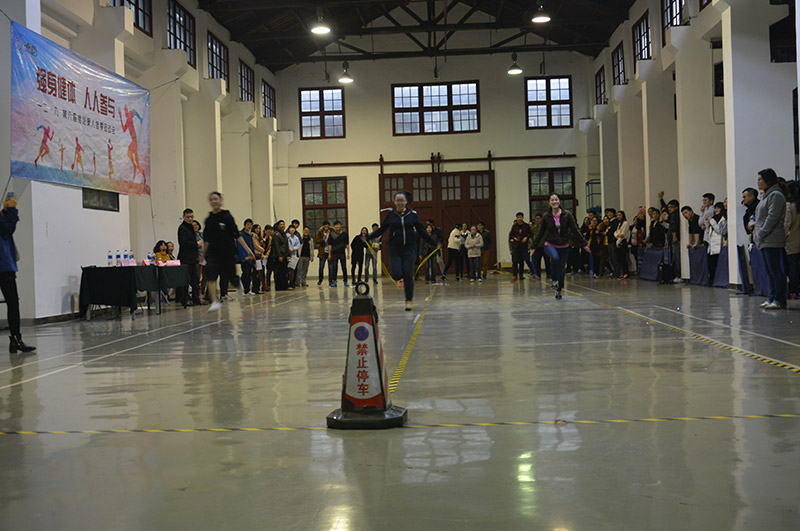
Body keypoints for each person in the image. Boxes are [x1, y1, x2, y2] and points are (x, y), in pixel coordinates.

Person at [366, 191, 439, 311]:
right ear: (394, 202)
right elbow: (382, 229)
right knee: (396, 274)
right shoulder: (390, 215)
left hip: (409, 249)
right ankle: (399, 278)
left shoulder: (412, 215)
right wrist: (368, 237)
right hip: (394, 249)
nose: (400, 203)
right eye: (397, 200)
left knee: (408, 274)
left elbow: (421, 230)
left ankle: (409, 300)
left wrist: (434, 243)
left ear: (406, 202)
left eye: (402, 200)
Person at [530, 194, 590, 299]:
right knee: (555, 258)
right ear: (549, 202)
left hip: (564, 245)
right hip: (550, 244)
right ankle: (554, 280)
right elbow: (540, 233)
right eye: (552, 200)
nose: (554, 202)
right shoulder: (546, 216)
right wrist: (533, 247)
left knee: (562, 269)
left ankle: (559, 290)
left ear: (559, 201)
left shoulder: (567, 215)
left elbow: (575, 230)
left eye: (556, 200)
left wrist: (584, 243)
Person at [203, 192, 254, 312]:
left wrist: (248, 250)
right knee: (211, 275)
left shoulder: (227, 217)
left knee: (231, 277)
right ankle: (214, 301)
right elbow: (207, 239)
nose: (214, 201)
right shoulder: (209, 220)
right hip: (213, 253)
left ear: (221, 201)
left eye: (216, 199)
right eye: (211, 199)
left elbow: (237, 235)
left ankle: (238, 283)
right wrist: (203, 254)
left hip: (227, 253)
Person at [0, 193, 35, 354]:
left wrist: (6, 211)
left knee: (13, 302)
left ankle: (16, 340)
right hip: (3, 265)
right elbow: (8, 229)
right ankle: (16, 340)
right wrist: (12, 210)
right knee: (12, 302)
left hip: (5, 265)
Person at [749, 168, 787, 309]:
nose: (758, 182)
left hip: (772, 239)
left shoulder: (776, 195)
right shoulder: (766, 195)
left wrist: (761, 233)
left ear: (768, 180)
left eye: (760, 179)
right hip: (764, 239)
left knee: (775, 270)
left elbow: (772, 217)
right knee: (770, 271)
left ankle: (779, 299)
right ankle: (772, 297)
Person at [177, 208, 201, 307]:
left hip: (193, 258)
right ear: (184, 217)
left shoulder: (191, 227)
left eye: (192, 217)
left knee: (195, 280)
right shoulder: (182, 228)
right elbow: (184, 243)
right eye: (188, 217)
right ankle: (185, 300)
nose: (190, 219)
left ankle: (196, 299)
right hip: (185, 258)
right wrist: (196, 244)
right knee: (186, 281)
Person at [659, 192, 682, 282]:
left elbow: (674, 227)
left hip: (675, 240)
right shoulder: (671, 215)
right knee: (674, 258)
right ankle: (676, 275)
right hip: (671, 239)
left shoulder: (675, 215)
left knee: (676, 258)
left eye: (671, 207)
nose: (669, 209)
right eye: (668, 207)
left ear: (676, 207)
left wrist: (674, 237)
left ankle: (678, 275)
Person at [784, 180, 800, 300]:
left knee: (793, 267)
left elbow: (786, 225)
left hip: (792, 240)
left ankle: (793, 291)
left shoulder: (789, 206)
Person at [237, 219, 261, 295]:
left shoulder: (250, 235)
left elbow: (251, 247)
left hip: (250, 258)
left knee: (249, 274)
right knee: (245, 274)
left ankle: (247, 290)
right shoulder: (241, 234)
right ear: (245, 225)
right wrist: (243, 257)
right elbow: (240, 247)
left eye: (251, 225)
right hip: (244, 258)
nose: (249, 226)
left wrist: (253, 255)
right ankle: (242, 289)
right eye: (248, 224)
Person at [706, 202, 727, 285]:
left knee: (717, 265)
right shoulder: (713, 219)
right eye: (715, 208)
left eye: (718, 208)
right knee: (711, 266)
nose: (716, 210)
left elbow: (720, 231)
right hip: (711, 247)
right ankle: (712, 281)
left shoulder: (723, 219)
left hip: (719, 246)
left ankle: (717, 281)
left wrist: (712, 221)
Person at [508, 212, 532, 281]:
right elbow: (511, 235)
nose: (519, 219)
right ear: (516, 218)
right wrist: (514, 238)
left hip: (524, 246)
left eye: (520, 217)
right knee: (515, 261)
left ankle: (521, 274)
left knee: (524, 260)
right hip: (516, 245)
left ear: (523, 218)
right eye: (518, 217)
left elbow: (530, 234)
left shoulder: (527, 226)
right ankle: (514, 275)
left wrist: (526, 237)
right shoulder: (514, 226)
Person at [327, 221, 350, 287]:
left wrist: (348, 253)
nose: (337, 226)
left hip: (342, 253)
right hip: (334, 253)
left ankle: (345, 281)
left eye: (338, 225)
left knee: (344, 267)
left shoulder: (345, 234)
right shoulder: (332, 235)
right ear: (334, 227)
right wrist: (329, 254)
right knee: (334, 267)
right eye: (336, 225)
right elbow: (330, 245)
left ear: (341, 226)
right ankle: (334, 281)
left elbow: (347, 244)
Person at [271, 220, 290, 291]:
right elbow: (276, 246)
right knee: (279, 272)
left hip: (284, 255)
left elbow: (286, 245)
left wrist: (288, 254)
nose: (282, 226)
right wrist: (279, 255)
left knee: (284, 271)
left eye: (283, 224)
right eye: (281, 224)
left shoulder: (284, 234)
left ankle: (284, 285)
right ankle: (279, 286)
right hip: (279, 255)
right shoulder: (276, 234)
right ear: (278, 226)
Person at [530, 214, 550, 280]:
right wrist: (533, 242)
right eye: (536, 219)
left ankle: (549, 274)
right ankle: (538, 274)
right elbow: (531, 235)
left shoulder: (546, 227)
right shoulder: (534, 228)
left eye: (539, 218)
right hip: (537, 247)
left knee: (547, 261)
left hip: (545, 246)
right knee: (537, 261)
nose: (537, 220)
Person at [613, 211, 630, 279]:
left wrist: (618, 242)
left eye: (620, 215)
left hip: (622, 242)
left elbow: (623, 234)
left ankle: (626, 273)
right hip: (618, 241)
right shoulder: (619, 224)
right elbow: (615, 233)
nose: (618, 216)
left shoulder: (625, 223)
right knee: (619, 259)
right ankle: (622, 273)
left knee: (623, 258)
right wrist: (617, 236)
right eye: (617, 215)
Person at [315, 221, 331, 285]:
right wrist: (322, 239)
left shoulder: (332, 232)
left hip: (330, 252)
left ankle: (331, 280)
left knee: (330, 267)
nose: (326, 226)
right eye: (324, 225)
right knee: (321, 266)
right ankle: (320, 279)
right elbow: (317, 241)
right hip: (322, 252)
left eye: (327, 225)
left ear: (329, 226)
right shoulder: (320, 232)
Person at [286, 225, 301, 290]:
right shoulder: (286, 236)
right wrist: (289, 249)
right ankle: (286, 283)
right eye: (291, 228)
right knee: (287, 270)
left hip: (294, 255)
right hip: (287, 254)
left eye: (293, 229)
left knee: (293, 269)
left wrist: (293, 248)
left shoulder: (296, 237)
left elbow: (298, 245)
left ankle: (292, 283)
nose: (292, 230)